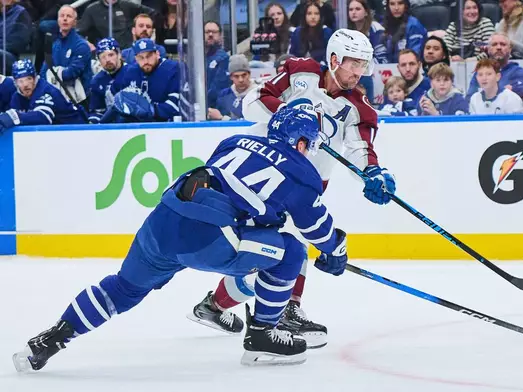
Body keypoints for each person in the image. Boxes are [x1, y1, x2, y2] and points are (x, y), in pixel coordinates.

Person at [12, 105, 349, 371]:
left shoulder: (234, 142)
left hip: (164, 220)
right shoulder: (302, 172)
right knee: (290, 251)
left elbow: (234, 188)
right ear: (303, 143)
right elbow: (318, 230)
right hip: (211, 237)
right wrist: (336, 251)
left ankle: (53, 337)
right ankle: (262, 335)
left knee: (122, 288)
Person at [188, 29, 396, 349]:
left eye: (363, 65)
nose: (358, 72)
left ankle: (217, 306)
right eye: (353, 63)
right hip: (265, 174)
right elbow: (252, 103)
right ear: (335, 59)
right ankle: (278, 314)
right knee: (279, 252)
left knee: (285, 250)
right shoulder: (303, 73)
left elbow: (360, 150)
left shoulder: (358, 107)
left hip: (303, 187)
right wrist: (291, 116)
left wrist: (374, 173)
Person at [0, 59, 86, 134]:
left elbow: (43, 117)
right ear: (15, 82)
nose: (25, 84)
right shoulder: (17, 96)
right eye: (20, 81)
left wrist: (16, 117)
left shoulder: (46, 90)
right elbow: (11, 117)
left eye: (28, 79)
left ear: (35, 78)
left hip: (77, 131)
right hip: (57, 134)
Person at [105, 38, 180, 123]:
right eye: (141, 57)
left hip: (166, 127)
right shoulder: (130, 72)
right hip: (136, 128)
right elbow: (114, 100)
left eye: (149, 56)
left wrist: (151, 110)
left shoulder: (173, 69)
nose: (146, 61)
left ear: (157, 54)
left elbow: (177, 106)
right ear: (136, 58)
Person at [88, 38, 127, 123]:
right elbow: (97, 111)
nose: (107, 60)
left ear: (119, 55)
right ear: (99, 60)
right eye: (103, 57)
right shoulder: (97, 81)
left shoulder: (132, 73)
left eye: (111, 55)